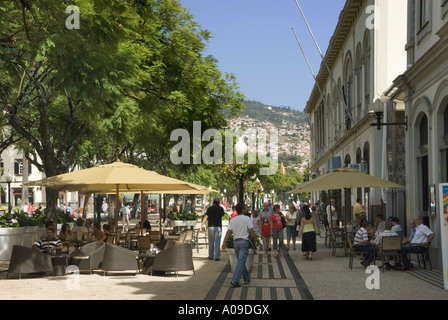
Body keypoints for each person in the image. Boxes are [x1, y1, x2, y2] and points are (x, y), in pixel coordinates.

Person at [222, 202, 256, 288]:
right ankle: (235, 280)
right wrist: (254, 241)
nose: (246, 209)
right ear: (243, 209)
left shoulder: (233, 220)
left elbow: (228, 232)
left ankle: (246, 277)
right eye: (245, 208)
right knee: (241, 261)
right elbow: (251, 231)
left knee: (241, 261)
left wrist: (224, 242)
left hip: (235, 242)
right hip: (244, 242)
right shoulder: (247, 219)